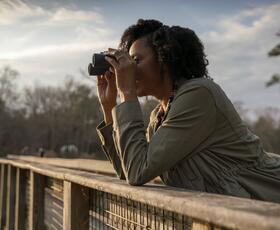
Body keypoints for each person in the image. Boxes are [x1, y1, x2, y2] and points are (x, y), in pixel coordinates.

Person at [96, 19, 280, 203]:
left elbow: (137, 171)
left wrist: (126, 92)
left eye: (135, 60)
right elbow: (127, 170)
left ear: (164, 58)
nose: (129, 69)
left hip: (268, 199)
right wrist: (109, 106)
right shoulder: (159, 116)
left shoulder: (199, 93)